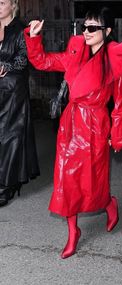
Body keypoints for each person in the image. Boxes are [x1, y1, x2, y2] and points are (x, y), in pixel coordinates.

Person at [24, 7, 122, 259]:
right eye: (84, 27)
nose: (86, 32)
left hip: (95, 125)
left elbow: (119, 103)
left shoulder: (115, 60)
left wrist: (118, 133)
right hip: (71, 124)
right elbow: (43, 61)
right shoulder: (75, 54)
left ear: (107, 31)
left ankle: (108, 203)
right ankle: (73, 232)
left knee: (92, 181)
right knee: (66, 180)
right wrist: (33, 37)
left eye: (93, 28)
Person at [0, 0, 40, 207]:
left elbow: (25, 59)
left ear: (13, 5)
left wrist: (4, 65)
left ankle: (7, 185)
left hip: (14, 90)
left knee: (10, 136)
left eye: (1, 2)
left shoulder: (21, 29)